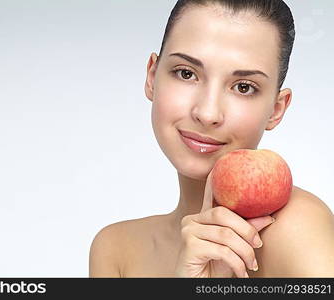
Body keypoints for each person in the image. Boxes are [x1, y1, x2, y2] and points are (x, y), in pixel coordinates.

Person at [89, 0, 334, 278]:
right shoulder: (116, 250)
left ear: (276, 110)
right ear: (152, 77)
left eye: (244, 87)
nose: (207, 113)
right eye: (186, 73)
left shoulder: (297, 227)